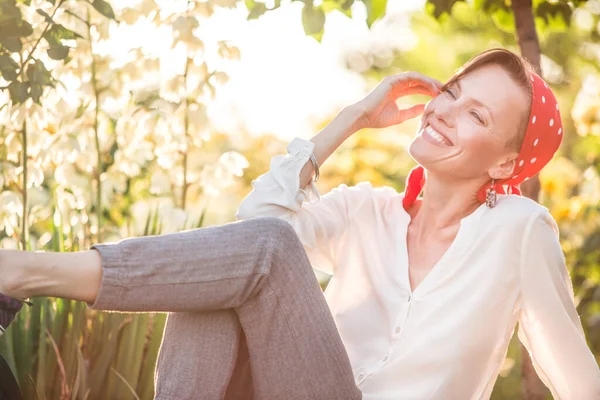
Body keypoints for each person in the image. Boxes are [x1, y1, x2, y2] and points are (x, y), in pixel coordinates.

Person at [1, 48, 599, 399]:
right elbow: (245, 234)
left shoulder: (520, 229)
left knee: (258, 254)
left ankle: (21, 273)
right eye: (451, 90)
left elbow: (574, 374)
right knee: (221, 277)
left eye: (476, 114)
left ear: (505, 161)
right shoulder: (366, 211)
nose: (443, 110)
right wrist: (351, 119)